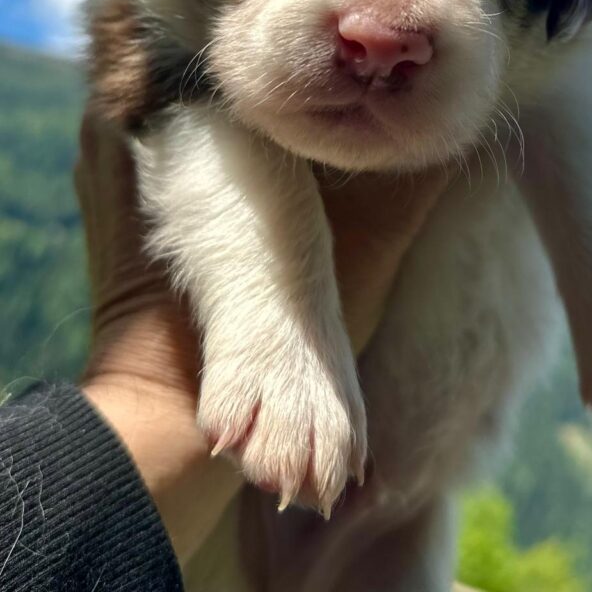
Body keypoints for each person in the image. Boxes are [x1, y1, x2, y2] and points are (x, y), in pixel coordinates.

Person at [0, 111, 448, 590]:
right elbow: (171, 86)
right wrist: (162, 388)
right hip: (263, 511)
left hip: (407, 496)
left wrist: (150, 389)